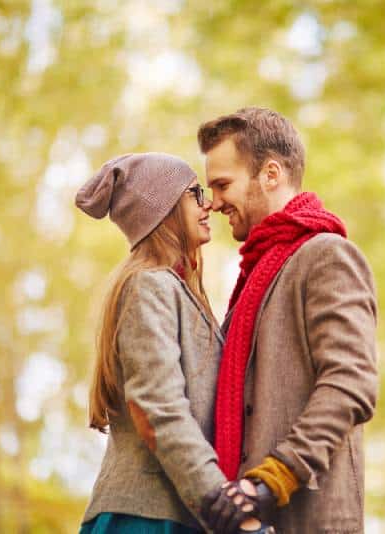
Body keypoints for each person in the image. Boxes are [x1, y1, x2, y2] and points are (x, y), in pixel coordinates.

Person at [198, 108, 379, 534]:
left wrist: (273, 478)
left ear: (271, 174)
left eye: (223, 185)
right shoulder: (253, 276)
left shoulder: (326, 256)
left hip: (308, 518)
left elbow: (351, 383)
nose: (215, 202)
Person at [75, 152, 269, 534]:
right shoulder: (149, 286)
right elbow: (158, 411)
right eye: (195, 193)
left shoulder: (177, 291)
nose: (209, 203)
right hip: (145, 518)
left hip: (177, 514)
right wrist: (226, 508)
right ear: (163, 209)